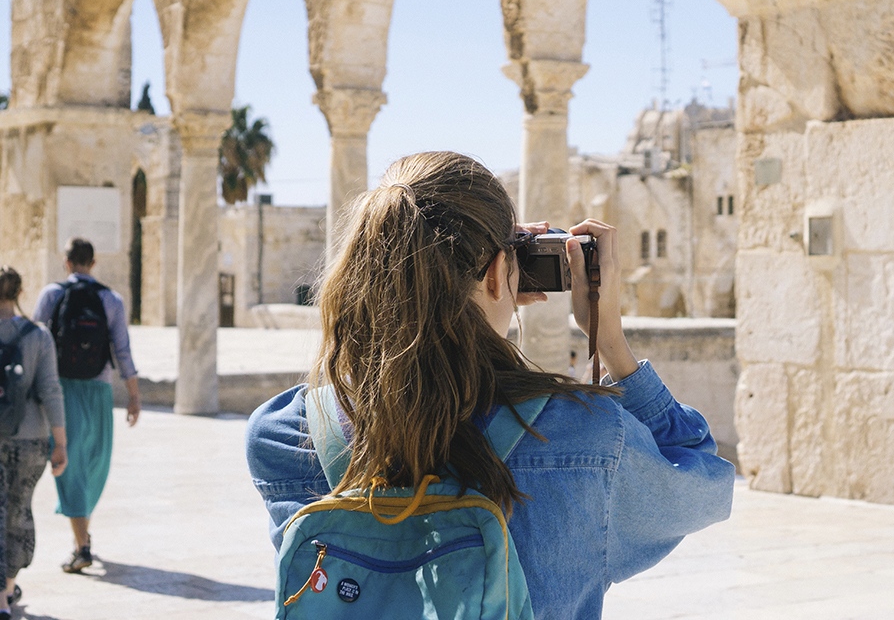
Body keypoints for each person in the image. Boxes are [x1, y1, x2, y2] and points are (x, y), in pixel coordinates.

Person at [247, 152, 735, 619]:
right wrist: (611, 343)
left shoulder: (284, 435)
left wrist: (494, 268)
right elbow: (705, 483)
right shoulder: (586, 437)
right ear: (503, 272)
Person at [32, 239, 141, 574]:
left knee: (71, 464)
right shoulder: (111, 299)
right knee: (93, 463)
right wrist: (134, 395)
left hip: (61, 389)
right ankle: (83, 543)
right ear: (93, 263)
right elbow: (122, 349)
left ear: (66, 262)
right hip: (99, 388)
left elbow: (35, 341)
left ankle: (82, 543)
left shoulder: (51, 294)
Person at [0, 267, 68, 618]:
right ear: (20, 291)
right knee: (18, 511)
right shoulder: (38, 335)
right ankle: (7, 591)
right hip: (30, 439)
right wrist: (61, 444)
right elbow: (51, 391)